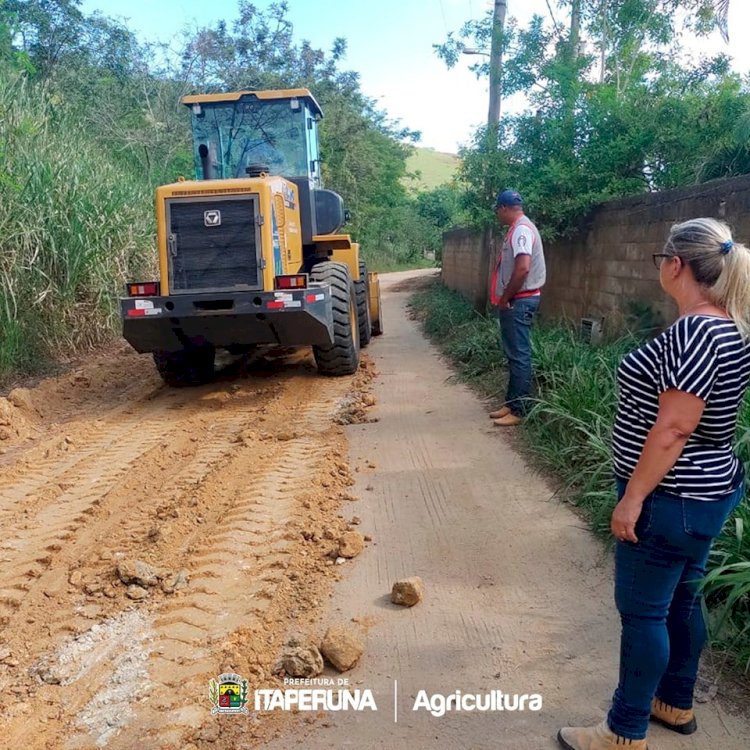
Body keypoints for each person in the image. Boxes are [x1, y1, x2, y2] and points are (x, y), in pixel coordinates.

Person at [558, 218, 750, 750]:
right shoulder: (730, 323)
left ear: (676, 265)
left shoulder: (695, 331)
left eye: (660, 259)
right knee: (682, 605)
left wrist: (633, 498)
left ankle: (623, 731)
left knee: (644, 614)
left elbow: (674, 428)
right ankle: (674, 702)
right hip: (707, 493)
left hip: (670, 498)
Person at [488, 189, 546, 426]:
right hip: (518, 299)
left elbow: (522, 268)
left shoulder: (521, 230)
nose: (497, 215)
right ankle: (512, 402)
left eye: (497, 211)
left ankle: (520, 409)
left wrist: (506, 298)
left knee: (519, 354)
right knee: (513, 353)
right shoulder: (520, 227)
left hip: (519, 300)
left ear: (503, 208)